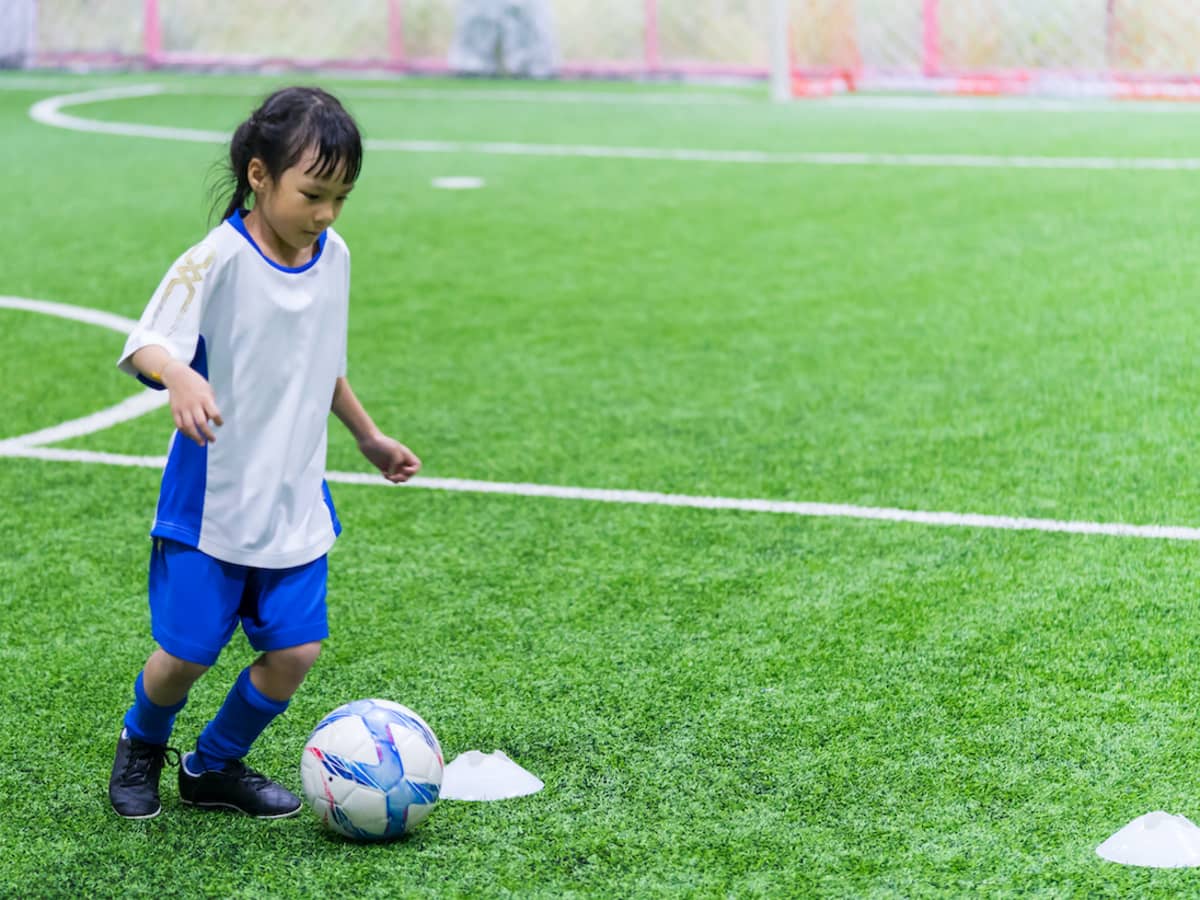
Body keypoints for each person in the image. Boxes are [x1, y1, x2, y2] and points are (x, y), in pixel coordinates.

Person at [108, 86, 421, 820]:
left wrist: (367, 436)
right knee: (184, 655)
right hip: (212, 501)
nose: (327, 214)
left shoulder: (332, 256)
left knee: (296, 653)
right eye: (313, 194)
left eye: (342, 197)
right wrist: (180, 373)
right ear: (258, 176)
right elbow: (148, 341)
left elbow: (323, 363)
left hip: (293, 498)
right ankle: (141, 744)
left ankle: (212, 765)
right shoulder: (216, 257)